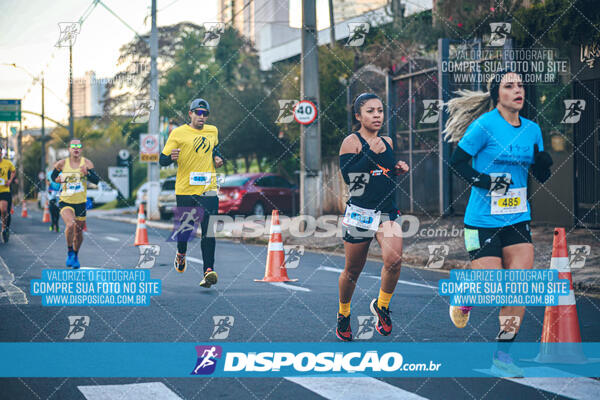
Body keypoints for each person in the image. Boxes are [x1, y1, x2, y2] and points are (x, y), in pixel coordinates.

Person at [444, 69, 553, 375]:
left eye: (520, 85)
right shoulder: (484, 125)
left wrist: (544, 166)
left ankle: (502, 355)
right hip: (482, 221)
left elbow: (539, 175)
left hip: (517, 218)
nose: (518, 90)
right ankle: (466, 293)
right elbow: (458, 163)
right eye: (509, 86)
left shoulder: (532, 129)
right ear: (497, 95)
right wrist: (486, 181)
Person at [336, 93, 409, 341]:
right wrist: (368, 154)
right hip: (360, 214)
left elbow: (383, 172)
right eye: (370, 111)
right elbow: (352, 183)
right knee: (352, 270)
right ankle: (343, 314)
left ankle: (382, 306)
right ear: (358, 116)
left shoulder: (387, 141)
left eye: (379, 110)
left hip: (386, 211)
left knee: (394, 260)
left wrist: (397, 168)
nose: (377, 115)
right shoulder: (351, 142)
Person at [159, 98, 224, 288]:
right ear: (190, 114)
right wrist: (171, 157)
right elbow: (162, 160)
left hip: (208, 189)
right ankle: (181, 253)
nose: (202, 117)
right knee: (186, 231)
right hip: (185, 189)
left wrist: (218, 157)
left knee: (208, 231)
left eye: (205, 113)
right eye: (198, 113)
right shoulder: (178, 133)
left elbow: (214, 149)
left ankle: (208, 271)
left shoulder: (213, 131)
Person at [51, 139, 100, 268]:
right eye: (73, 146)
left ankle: (76, 254)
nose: (76, 149)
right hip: (65, 201)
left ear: (81, 149)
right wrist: (57, 179)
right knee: (70, 224)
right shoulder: (61, 164)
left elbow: (96, 181)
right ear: (69, 149)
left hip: (81, 203)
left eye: (79, 146)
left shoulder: (87, 163)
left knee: (78, 232)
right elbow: (53, 177)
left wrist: (87, 173)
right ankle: (69, 251)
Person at [0, 145, 15, 243]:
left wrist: (10, 180)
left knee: (4, 209)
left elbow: (13, 171)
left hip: (4, 190)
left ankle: (4, 228)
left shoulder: (7, 162)